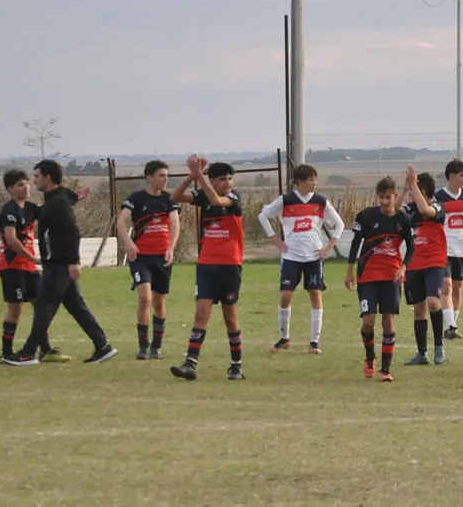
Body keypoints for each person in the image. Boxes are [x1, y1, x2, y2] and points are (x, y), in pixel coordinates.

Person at [2, 160, 117, 366]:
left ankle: (28, 353)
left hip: (59, 265)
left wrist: (73, 262)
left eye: (37, 177)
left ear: (47, 178)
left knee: (44, 307)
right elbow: (64, 198)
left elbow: (72, 232)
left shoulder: (57, 203)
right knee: (76, 306)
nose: (33, 181)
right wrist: (77, 197)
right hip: (58, 264)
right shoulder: (56, 200)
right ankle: (103, 345)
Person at [169, 156, 245, 381]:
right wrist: (192, 176)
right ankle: (190, 363)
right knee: (201, 314)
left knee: (230, 317)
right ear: (212, 181)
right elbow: (175, 197)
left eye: (230, 178)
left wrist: (200, 176)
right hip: (206, 266)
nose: (228, 182)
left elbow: (216, 201)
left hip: (229, 265)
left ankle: (236, 365)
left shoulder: (233, 198)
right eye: (223, 179)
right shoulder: (204, 194)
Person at [258, 164, 344, 355]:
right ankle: (284, 338)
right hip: (291, 257)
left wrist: (329, 247)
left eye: (315, 179)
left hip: (314, 258)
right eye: (311, 179)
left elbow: (339, 224)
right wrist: (275, 240)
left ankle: (314, 342)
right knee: (285, 295)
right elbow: (263, 216)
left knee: (315, 294)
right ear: (299, 182)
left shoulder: (321, 202)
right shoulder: (286, 200)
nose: (315, 183)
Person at [0, 169, 71, 364]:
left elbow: (52, 210)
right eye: (20, 185)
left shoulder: (30, 208)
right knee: (16, 310)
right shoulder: (9, 211)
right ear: (10, 189)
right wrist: (33, 258)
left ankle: (46, 351)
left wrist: (74, 198)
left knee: (41, 306)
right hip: (11, 266)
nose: (26, 187)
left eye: (27, 183)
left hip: (29, 267)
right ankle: (6, 353)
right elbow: (11, 240)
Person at [345, 177, 415, 382]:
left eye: (388, 197)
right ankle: (369, 358)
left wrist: (403, 268)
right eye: (381, 197)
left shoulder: (403, 219)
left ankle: (386, 369)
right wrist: (349, 270)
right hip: (367, 275)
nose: (385, 201)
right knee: (368, 321)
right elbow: (355, 243)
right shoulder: (366, 216)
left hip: (391, 275)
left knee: (388, 319)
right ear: (377, 196)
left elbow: (411, 246)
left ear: (395, 196)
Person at [117, 160, 180, 359]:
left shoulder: (169, 199)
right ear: (150, 177)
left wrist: (171, 248)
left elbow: (175, 224)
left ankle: (156, 347)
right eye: (162, 176)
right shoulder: (136, 198)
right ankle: (143, 346)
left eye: (167, 176)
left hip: (162, 257)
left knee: (159, 302)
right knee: (145, 298)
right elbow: (121, 222)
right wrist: (128, 243)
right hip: (141, 257)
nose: (166, 179)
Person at [399, 167, 449, 366]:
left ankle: (438, 346)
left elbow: (426, 211)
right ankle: (422, 353)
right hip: (414, 264)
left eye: (415, 189)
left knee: (433, 303)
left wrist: (413, 186)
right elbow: (393, 212)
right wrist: (405, 190)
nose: (412, 193)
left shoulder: (438, 206)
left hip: (435, 262)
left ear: (423, 191)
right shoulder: (410, 208)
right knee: (419, 309)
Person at [435, 159, 463, 339]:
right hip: (444, 249)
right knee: (447, 286)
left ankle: (452, 326)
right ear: (451, 176)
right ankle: (450, 325)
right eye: (462, 175)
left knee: (458, 287)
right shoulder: (439, 197)